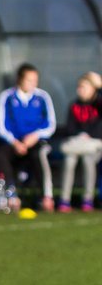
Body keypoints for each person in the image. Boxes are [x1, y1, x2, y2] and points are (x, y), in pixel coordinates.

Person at [0, 63, 57, 213]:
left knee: (39, 155)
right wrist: (15, 142)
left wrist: (36, 136)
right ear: (19, 80)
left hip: (35, 142)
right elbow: (1, 125)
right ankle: (11, 195)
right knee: (1, 155)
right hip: (13, 142)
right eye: (29, 80)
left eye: (35, 80)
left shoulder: (42, 97)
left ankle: (47, 197)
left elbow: (50, 124)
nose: (33, 84)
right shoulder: (7, 97)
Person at [55, 74, 101, 212]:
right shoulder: (74, 106)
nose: (80, 90)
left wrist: (100, 87)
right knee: (69, 160)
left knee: (88, 160)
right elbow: (70, 128)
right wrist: (80, 135)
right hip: (78, 144)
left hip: (95, 145)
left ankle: (87, 199)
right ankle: (65, 199)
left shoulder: (98, 104)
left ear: (93, 89)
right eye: (79, 87)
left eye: (84, 87)